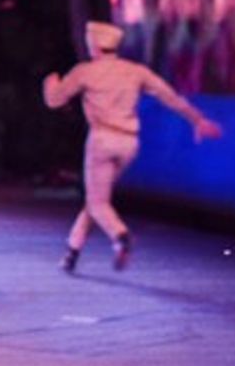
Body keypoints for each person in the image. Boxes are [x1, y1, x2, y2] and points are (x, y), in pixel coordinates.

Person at [43, 20, 224, 272]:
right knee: (97, 200)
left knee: (97, 203)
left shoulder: (85, 71)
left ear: (93, 45)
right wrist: (198, 120)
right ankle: (71, 253)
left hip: (102, 140)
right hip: (129, 143)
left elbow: (54, 100)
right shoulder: (135, 71)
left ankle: (120, 237)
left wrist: (50, 84)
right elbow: (169, 96)